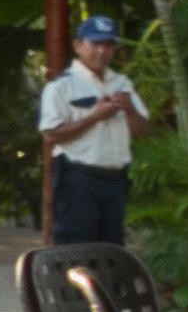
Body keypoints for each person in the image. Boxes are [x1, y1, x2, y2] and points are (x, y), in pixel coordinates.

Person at [34, 16, 147, 252]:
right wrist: (95, 116)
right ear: (78, 46)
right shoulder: (61, 86)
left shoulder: (122, 82)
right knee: (77, 249)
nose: (103, 51)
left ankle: (103, 290)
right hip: (78, 178)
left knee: (111, 251)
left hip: (115, 178)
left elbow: (143, 132)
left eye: (108, 45)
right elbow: (51, 135)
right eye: (95, 44)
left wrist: (129, 108)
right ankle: (72, 290)